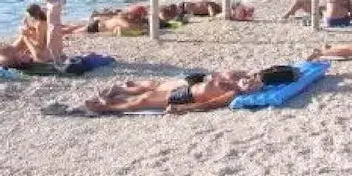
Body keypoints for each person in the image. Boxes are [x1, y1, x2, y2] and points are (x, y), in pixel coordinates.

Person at [81, 66, 299, 115]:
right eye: (253, 80)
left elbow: (210, 104)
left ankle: (107, 107)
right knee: (147, 95)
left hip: (186, 96)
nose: (250, 82)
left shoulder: (237, 94)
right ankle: (111, 102)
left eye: (255, 84)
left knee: (144, 100)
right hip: (190, 87)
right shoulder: (243, 80)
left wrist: (182, 109)